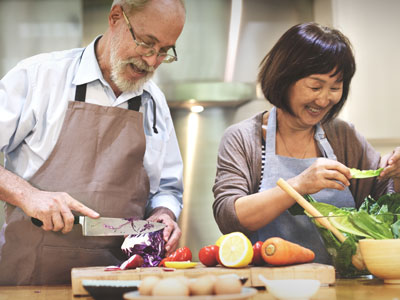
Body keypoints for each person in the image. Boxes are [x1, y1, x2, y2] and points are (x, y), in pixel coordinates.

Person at [0, 0, 185, 285]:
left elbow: (167, 188)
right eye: (147, 43)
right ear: (115, 17)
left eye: (164, 51)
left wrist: (164, 212)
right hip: (31, 281)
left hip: (122, 283)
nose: (151, 61)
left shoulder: (155, 102)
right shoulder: (39, 77)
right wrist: (28, 195)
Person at [212, 22, 400, 264]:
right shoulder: (242, 138)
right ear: (285, 78)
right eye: (315, 86)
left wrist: (396, 174)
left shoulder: (343, 135)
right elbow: (229, 216)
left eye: (335, 87)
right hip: (268, 284)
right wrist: (299, 184)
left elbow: (385, 199)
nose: (323, 99)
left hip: (344, 284)